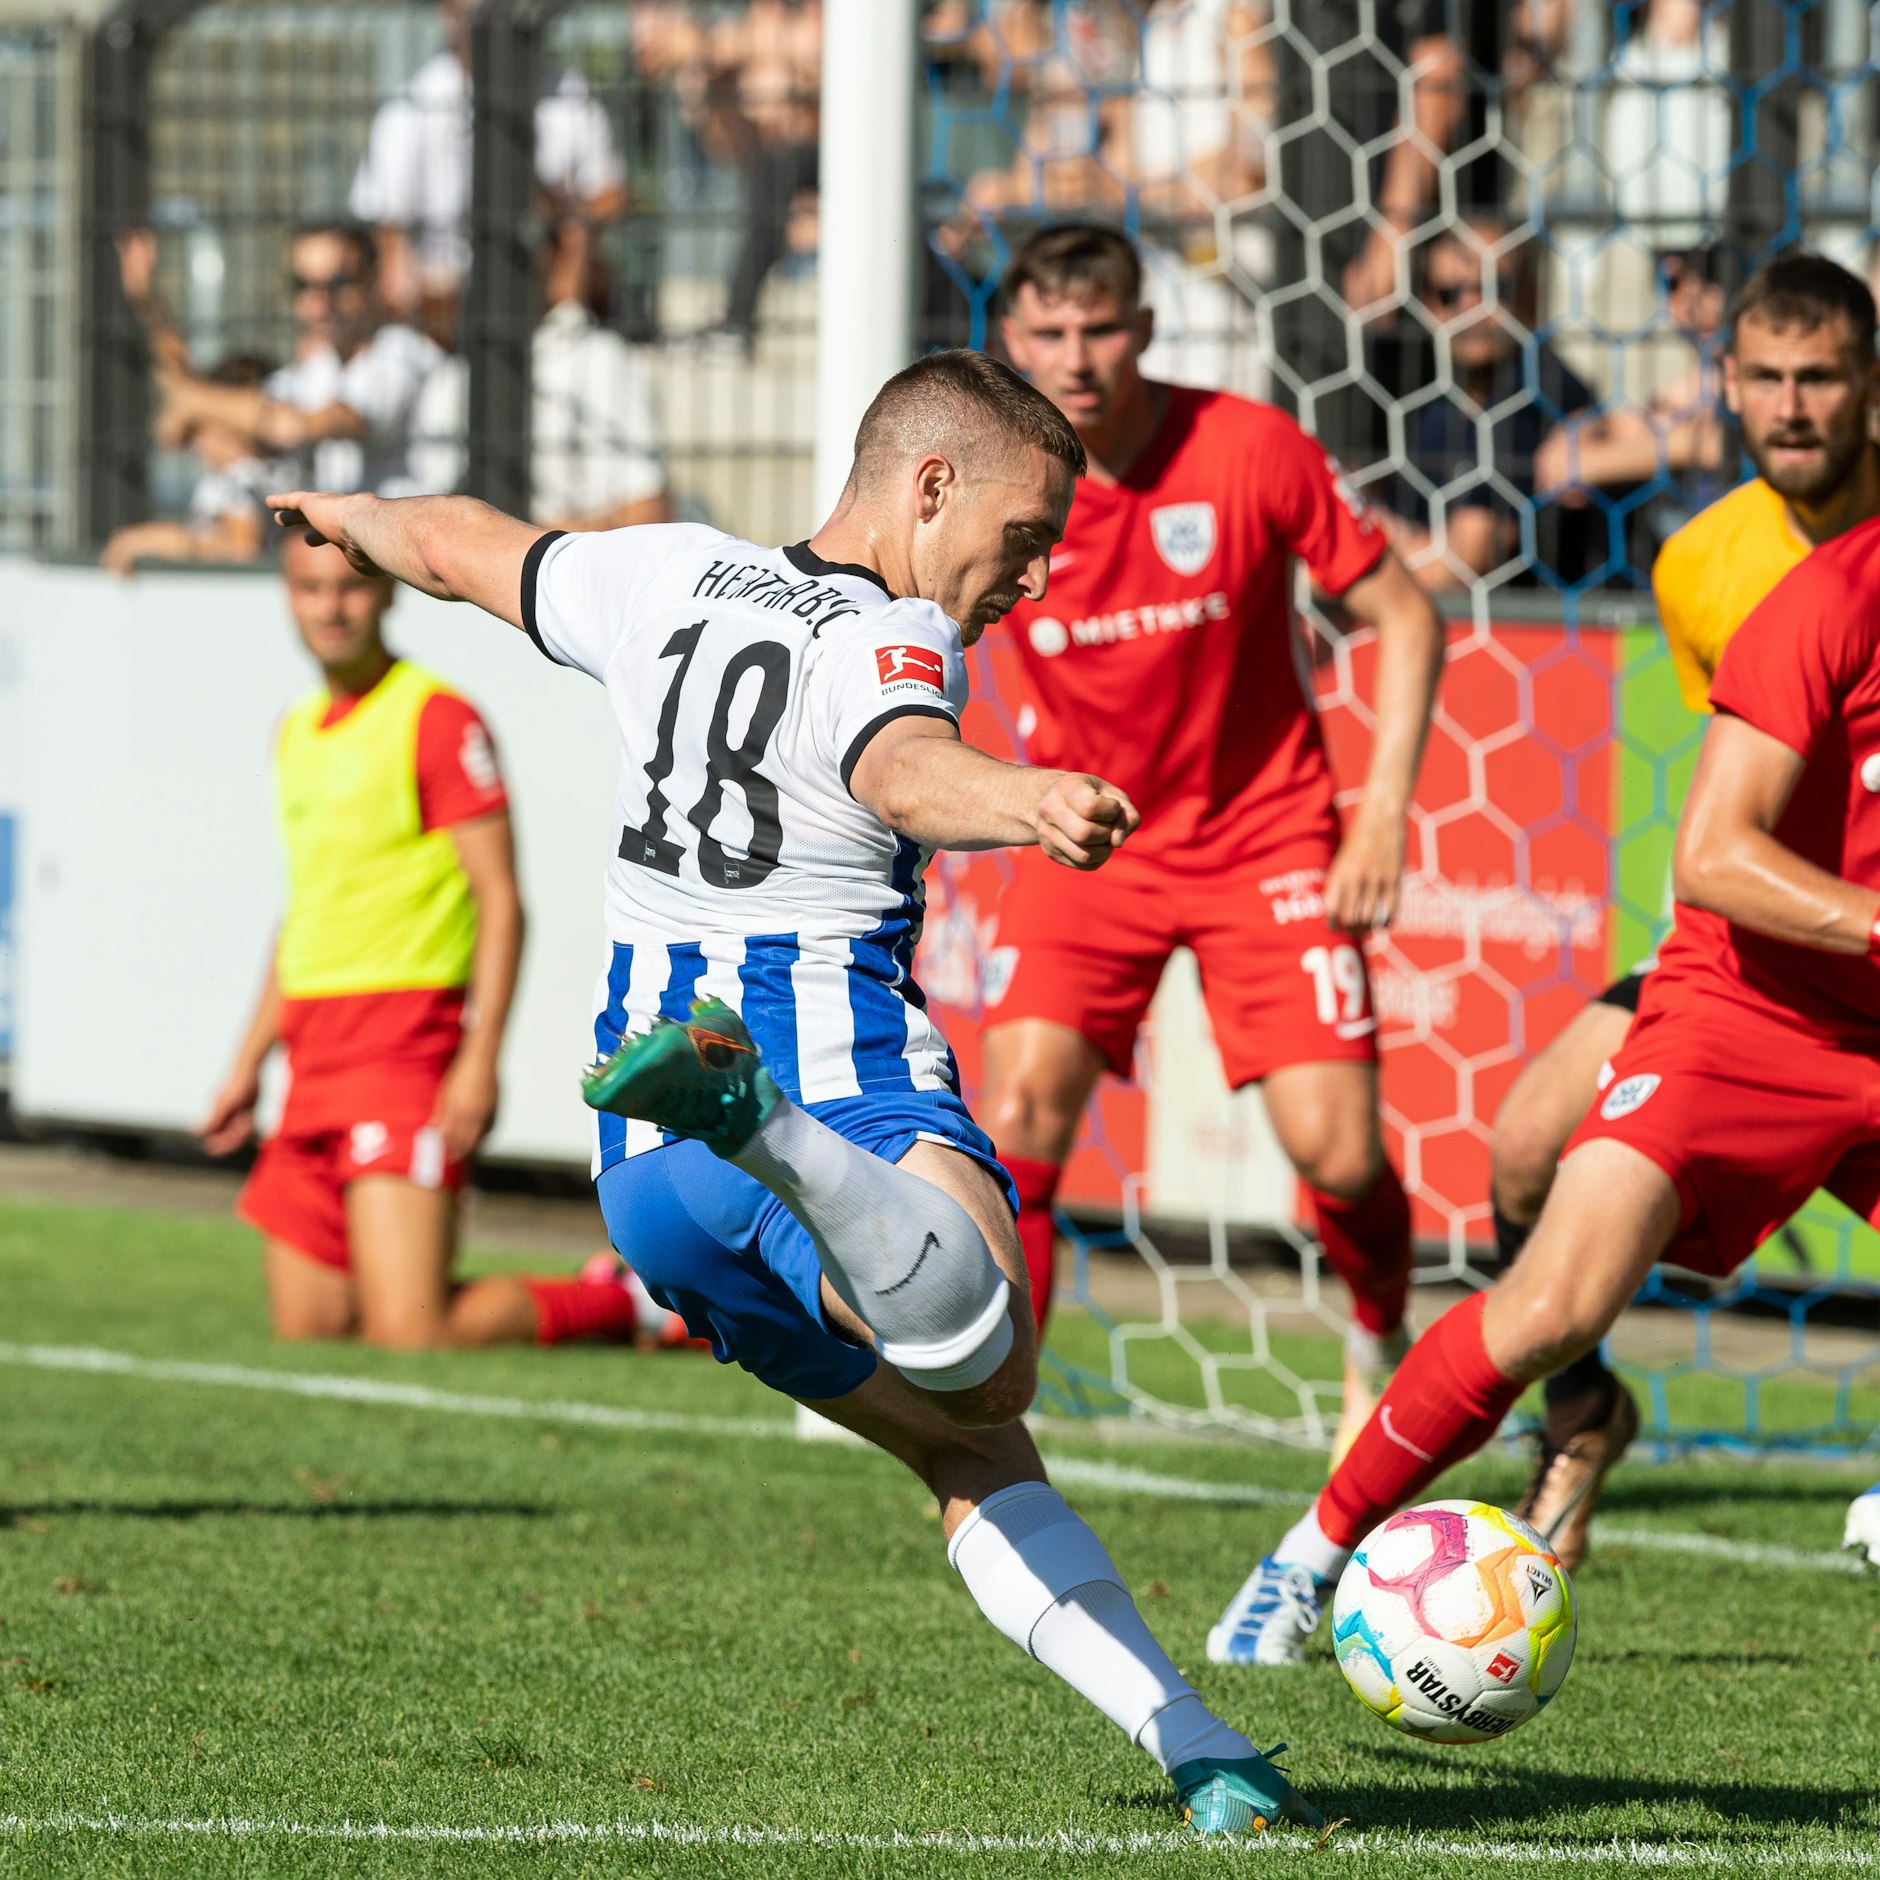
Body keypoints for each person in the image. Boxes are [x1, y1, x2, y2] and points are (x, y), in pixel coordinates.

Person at [263, 346, 1326, 1835]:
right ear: (929, 482)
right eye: (1022, 538)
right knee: (995, 1357)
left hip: (642, 1173)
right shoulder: (898, 637)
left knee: (970, 1446)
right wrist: (1028, 798)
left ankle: (1199, 1746)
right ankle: (758, 1119)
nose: (1027, 579)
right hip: (820, 1071)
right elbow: (904, 771)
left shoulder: (662, 572)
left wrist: (338, 505)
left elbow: (451, 544)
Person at [1204, 477, 1880, 1663]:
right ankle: (1304, 1558)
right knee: (1551, 1297)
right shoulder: (1820, 600)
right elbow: (1714, 853)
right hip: (1749, 1011)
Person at [981, 226, 1445, 1526]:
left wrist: (1382, 816)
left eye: (1103, 329)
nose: (1077, 359)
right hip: (1091, 838)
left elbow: (1404, 614)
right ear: (1011, 338)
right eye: (1050, 334)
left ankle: (1375, 1337)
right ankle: (990, 1427)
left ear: (1146, 328)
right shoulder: (990, 473)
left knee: (1338, 1151)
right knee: (1017, 1113)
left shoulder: (1246, 449)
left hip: (1265, 836)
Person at [1484, 254, 1880, 1571]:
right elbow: (1737, 793)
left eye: (1816, 376)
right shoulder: (1705, 567)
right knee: (1527, 1144)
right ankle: (1585, 1411)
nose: (1790, 406)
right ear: (1724, 387)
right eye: (1761, 378)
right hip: (1761, 949)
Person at [200, 531, 684, 1353]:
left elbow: (501, 900)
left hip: (401, 1046)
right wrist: (248, 1066)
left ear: (388, 593)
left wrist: (477, 1058)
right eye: (309, 589)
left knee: (412, 1331)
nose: (330, 607)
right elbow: (307, 911)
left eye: (348, 588)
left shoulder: (434, 717)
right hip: (312, 1054)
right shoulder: (297, 731)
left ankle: (630, 1306)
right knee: (311, 1327)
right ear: (288, 596)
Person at [349, 0, 626, 336]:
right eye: (470, 13)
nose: (484, 24)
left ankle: (561, 328)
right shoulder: (412, 105)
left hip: (543, 285)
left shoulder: (569, 94)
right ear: (446, 16)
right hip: (446, 301)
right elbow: (387, 231)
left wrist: (565, 217)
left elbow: (610, 193)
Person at [410, 218, 675, 531]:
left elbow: (648, 514)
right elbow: (424, 522)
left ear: (553, 257)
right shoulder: (448, 376)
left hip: (560, 570)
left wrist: (521, 543)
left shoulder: (601, 357)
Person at [1382, 220, 1600, 592]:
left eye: (1495, 289)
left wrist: (1347, 559)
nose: (1471, 306)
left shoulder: (1541, 391)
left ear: (1529, 296)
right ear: (1428, 305)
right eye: (1450, 294)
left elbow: (1464, 561)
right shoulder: (1439, 401)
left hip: (1546, 634)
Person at [157, 224, 445, 500]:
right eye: (303, 285)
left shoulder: (400, 353)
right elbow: (234, 411)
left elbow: (295, 427)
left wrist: (192, 400)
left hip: (404, 544)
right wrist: (149, 306)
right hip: (347, 539)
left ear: (371, 281)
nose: (320, 302)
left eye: (338, 282)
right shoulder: (323, 365)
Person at [100, 353, 276, 575]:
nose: (195, 442)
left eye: (198, 426)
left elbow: (242, 551)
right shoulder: (257, 473)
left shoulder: (243, 477)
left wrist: (150, 542)